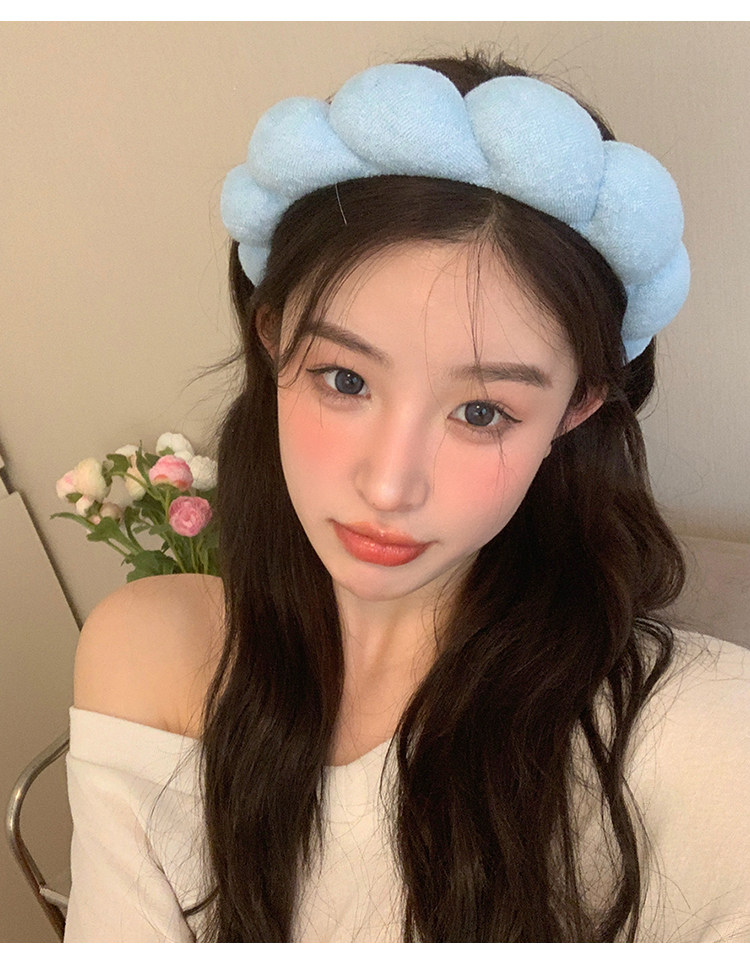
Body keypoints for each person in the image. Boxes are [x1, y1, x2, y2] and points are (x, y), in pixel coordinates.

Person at [64, 51, 750, 942]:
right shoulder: (150, 653)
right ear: (273, 338)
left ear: (575, 408)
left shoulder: (698, 739)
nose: (389, 485)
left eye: (481, 411)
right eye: (345, 379)